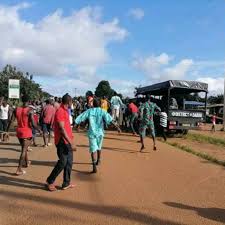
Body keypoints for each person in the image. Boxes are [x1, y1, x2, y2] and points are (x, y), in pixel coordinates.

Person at [75, 98, 121, 173]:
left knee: (93, 149)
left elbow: (81, 117)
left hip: (92, 133)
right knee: (99, 147)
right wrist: (117, 127)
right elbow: (110, 119)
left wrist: (75, 123)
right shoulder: (102, 111)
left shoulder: (89, 111)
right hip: (100, 132)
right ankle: (98, 160)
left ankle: (94, 166)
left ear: (93, 104)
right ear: (100, 104)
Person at [46, 94, 76, 191]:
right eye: (71, 102)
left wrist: (70, 141)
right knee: (62, 162)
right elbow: (62, 129)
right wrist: (70, 142)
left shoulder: (65, 111)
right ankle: (50, 181)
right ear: (69, 102)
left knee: (69, 162)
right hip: (62, 141)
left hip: (67, 140)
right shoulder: (60, 111)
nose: (72, 103)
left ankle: (66, 183)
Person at [7, 95, 41, 175]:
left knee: (24, 147)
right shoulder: (30, 110)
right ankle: (19, 169)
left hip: (19, 131)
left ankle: (26, 162)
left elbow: (11, 121)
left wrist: (7, 131)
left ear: (22, 100)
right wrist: (39, 129)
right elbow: (33, 124)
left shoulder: (16, 109)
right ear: (29, 101)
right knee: (24, 150)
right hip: (26, 132)